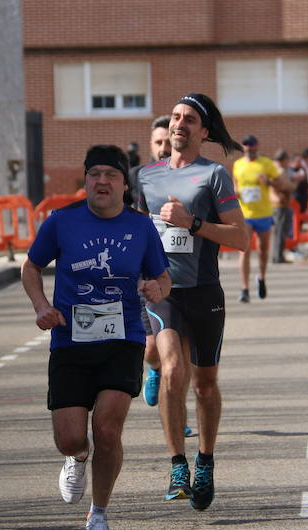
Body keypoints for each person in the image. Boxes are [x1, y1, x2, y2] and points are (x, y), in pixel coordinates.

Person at [21, 144, 171, 530]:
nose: (101, 181)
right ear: (85, 180)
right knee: (71, 438)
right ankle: (76, 458)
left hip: (123, 338)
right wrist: (42, 306)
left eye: (110, 174)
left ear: (125, 183)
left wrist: (156, 288)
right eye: (94, 174)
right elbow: (31, 266)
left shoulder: (141, 228)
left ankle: (99, 516)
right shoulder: (61, 222)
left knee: (107, 427)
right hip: (71, 338)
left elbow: (162, 277)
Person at [138, 93, 249, 511]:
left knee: (203, 384)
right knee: (171, 369)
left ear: (204, 131)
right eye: (176, 118)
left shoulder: (214, 175)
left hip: (204, 292)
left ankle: (205, 459)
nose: (179, 124)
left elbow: (240, 238)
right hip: (162, 292)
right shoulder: (146, 177)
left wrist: (194, 223)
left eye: (189, 120)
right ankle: (177, 464)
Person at [129, 116, 193, 436]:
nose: (162, 148)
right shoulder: (139, 178)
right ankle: (152, 369)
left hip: (185, 277)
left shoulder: (193, 176)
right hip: (149, 274)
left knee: (181, 358)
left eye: (167, 142)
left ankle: (178, 417)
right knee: (153, 349)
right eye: (157, 143)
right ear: (150, 145)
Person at [232, 135, 287, 301]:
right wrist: (236, 192)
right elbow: (235, 183)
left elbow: (281, 184)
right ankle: (245, 288)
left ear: (257, 146)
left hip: (263, 213)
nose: (249, 148)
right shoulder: (238, 164)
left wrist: (268, 181)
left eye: (252, 145)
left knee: (263, 251)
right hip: (246, 214)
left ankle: (261, 278)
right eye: (246, 145)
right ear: (243, 147)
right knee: (245, 250)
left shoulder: (266, 163)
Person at [270, 150, 299, 264]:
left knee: (278, 231)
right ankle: (278, 256)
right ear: (283, 160)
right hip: (280, 205)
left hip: (276, 204)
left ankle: (277, 255)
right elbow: (288, 186)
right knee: (279, 231)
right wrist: (296, 182)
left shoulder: (273, 170)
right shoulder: (280, 172)